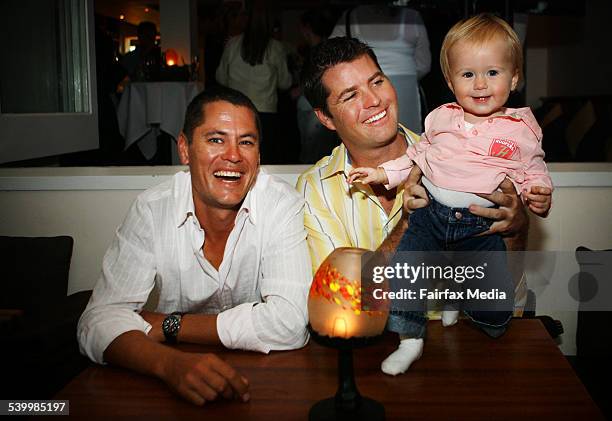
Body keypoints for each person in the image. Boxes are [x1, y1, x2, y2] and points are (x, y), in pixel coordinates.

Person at [296, 36, 529, 376]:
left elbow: (509, 296)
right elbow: (342, 305)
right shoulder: (315, 190)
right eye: (351, 95)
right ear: (326, 118)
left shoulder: (463, 159)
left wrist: (516, 230)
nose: (374, 100)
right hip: (371, 363)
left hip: (469, 347)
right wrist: (408, 222)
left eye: (377, 81)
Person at [77, 87, 311, 405]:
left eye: (246, 141)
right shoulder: (152, 209)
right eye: (216, 139)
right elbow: (97, 322)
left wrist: (172, 325)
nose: (233, 155)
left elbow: (290, 324)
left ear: (258, 155)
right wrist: (169, 364)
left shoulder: (282, 205)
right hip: (163, 388)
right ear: (185, 149)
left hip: (264, 387)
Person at [347, 13, 553, 374]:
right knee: (404, 272)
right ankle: (410, 341)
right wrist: (381, 173)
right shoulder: (440, 119)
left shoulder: (521, 129)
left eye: (492, 72)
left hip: (479, 225)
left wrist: (539, 193)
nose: (480, 85)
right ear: (450, 81)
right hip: (429, 216)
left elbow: (533, 168)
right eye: (468, 74)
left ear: (515, 77)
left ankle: (465, 302)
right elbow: (416, 157)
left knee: (494, 310)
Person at [330, 2, 431, 133]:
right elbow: (424, 64)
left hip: (359, 95)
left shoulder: (350, 17)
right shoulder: (413, 17)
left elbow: (331, 59)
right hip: (406, 93)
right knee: (409, 142)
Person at [215, 6, 292, 164]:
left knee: (237, 158)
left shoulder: (232, 44)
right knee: (265, 160)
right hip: (266, 112)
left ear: (246, 21)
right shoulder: (276, 47)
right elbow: (285, 83)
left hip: (237, 110)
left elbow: (221, 77)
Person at [295, 9, 339, 164]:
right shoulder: (316, 49)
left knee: (313, 152)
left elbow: (319, 81)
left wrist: (299, 90)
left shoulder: (319, 52)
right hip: (315, 107)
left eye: (301, 27)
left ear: (307, 27)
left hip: (313, 108)